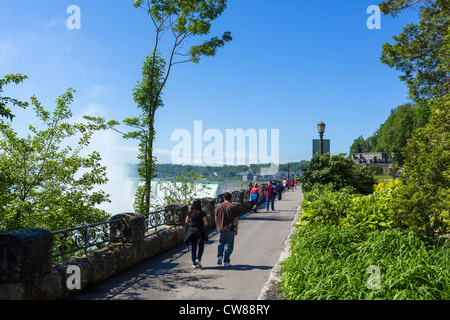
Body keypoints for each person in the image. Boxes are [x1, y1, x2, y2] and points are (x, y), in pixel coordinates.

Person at [215, 192, 239, 267]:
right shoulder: (233, 207)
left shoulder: (218, 206)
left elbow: (215, 218)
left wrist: (217, 226)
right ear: (231, 198)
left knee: (221, 243)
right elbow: (236, 219)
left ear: (223, 198)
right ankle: (226, 261)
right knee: (229, 244)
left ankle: (219, 256)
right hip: (230, 228)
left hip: (221, 228)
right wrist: (236, 229)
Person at [184, 199, 208, 269]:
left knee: (193, 247)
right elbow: (206, 223)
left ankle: (194, 263)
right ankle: (198, 259)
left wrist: (191, 224)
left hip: (192, 231)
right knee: (201, 246)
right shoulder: (202, 213)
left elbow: (186, 221)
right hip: (199, 231)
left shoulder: (190, 212)